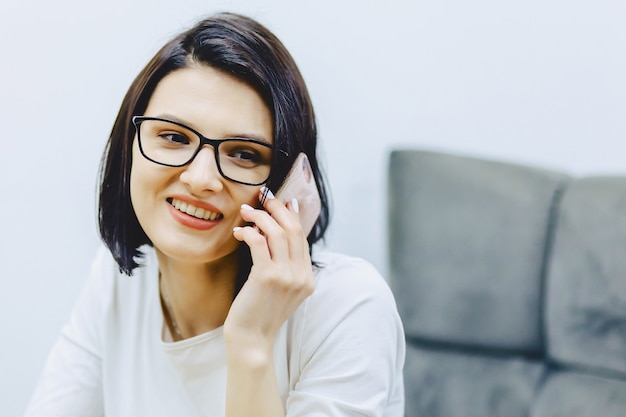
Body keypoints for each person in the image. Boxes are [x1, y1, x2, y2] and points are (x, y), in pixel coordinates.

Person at [24, 12, 405, 416]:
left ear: (288, 183)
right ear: (128, 146)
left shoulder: (347, 306)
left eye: (244, 154)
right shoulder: (119, 283)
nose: (201, 178)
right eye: (173, 136)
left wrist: (252, 344)